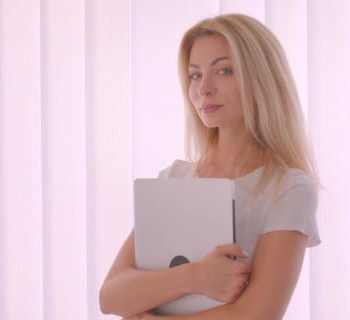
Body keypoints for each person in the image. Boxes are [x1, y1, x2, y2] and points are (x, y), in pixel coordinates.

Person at [99, 13, 321, 320]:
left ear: (261, 79)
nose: (203, 88)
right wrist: (195, 276)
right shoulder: (174, 180)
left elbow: (258, 315)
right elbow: (111, 297)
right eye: (194, 75)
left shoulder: (288, 187)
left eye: (224, 70)